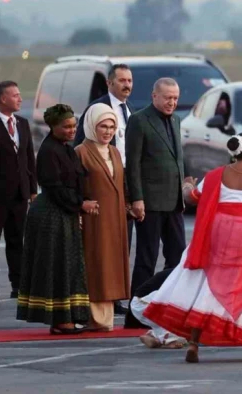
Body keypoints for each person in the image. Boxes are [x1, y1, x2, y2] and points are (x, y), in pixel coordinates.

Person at [143, 133, 242, 363]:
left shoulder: (214, 177)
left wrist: (188, 184)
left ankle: (193, 343)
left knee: (209, 287)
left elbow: (191, 198)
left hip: (219, 236)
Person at [16, 104, 99, 334]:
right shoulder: (49, 151)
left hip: (65, 213)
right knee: (58, 267)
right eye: (67, 127)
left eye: (74, 126)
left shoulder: (66, 148)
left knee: (69, 266)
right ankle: (60, 321)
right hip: (50, 217)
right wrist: (80, 204)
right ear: (53, 127)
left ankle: (67, 317)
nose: (72, 130)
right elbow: (55, 188)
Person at [126, 78, 186, 292]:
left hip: (174, 203)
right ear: (155, 96)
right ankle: (137, 307)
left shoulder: (176, 120)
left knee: (178, 255)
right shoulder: (139, 120)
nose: (172, 102)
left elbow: (175, 158)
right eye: (168, 98)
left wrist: (183, 184)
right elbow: (133, 163)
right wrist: (137, 198)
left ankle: (168, 302)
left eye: (176, 98)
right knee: (147, 257)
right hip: (149, 203)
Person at [74, 103, 131, 331]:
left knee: (111, 264)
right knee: (96, 264)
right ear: (91, 126)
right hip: (93, 218)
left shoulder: (115, 151)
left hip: (115, 218)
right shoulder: (81, 152)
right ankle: (93, 317)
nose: (107, 131)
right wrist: (79, 209)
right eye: (103, 126)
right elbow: (74, 187)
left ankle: (105, 317)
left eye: (111, 127)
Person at [76, 65, 136, 255]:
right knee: (103, 238)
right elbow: (80, 146)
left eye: (130, 80)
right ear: (109, 83)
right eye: (122, 80)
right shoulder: (96, 109)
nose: (127, 85)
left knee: (124, 236)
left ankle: (120, 279)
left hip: (126, 179)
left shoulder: (131, 110)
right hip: (102, 179)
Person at [0, 80, 37, 300]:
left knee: (17, 241)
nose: (20, 99)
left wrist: (32, 190)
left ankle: (18, 284)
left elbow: (29, 158)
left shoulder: (22, 123)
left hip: (19, 195)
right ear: (3, 98)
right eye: (15, 95)